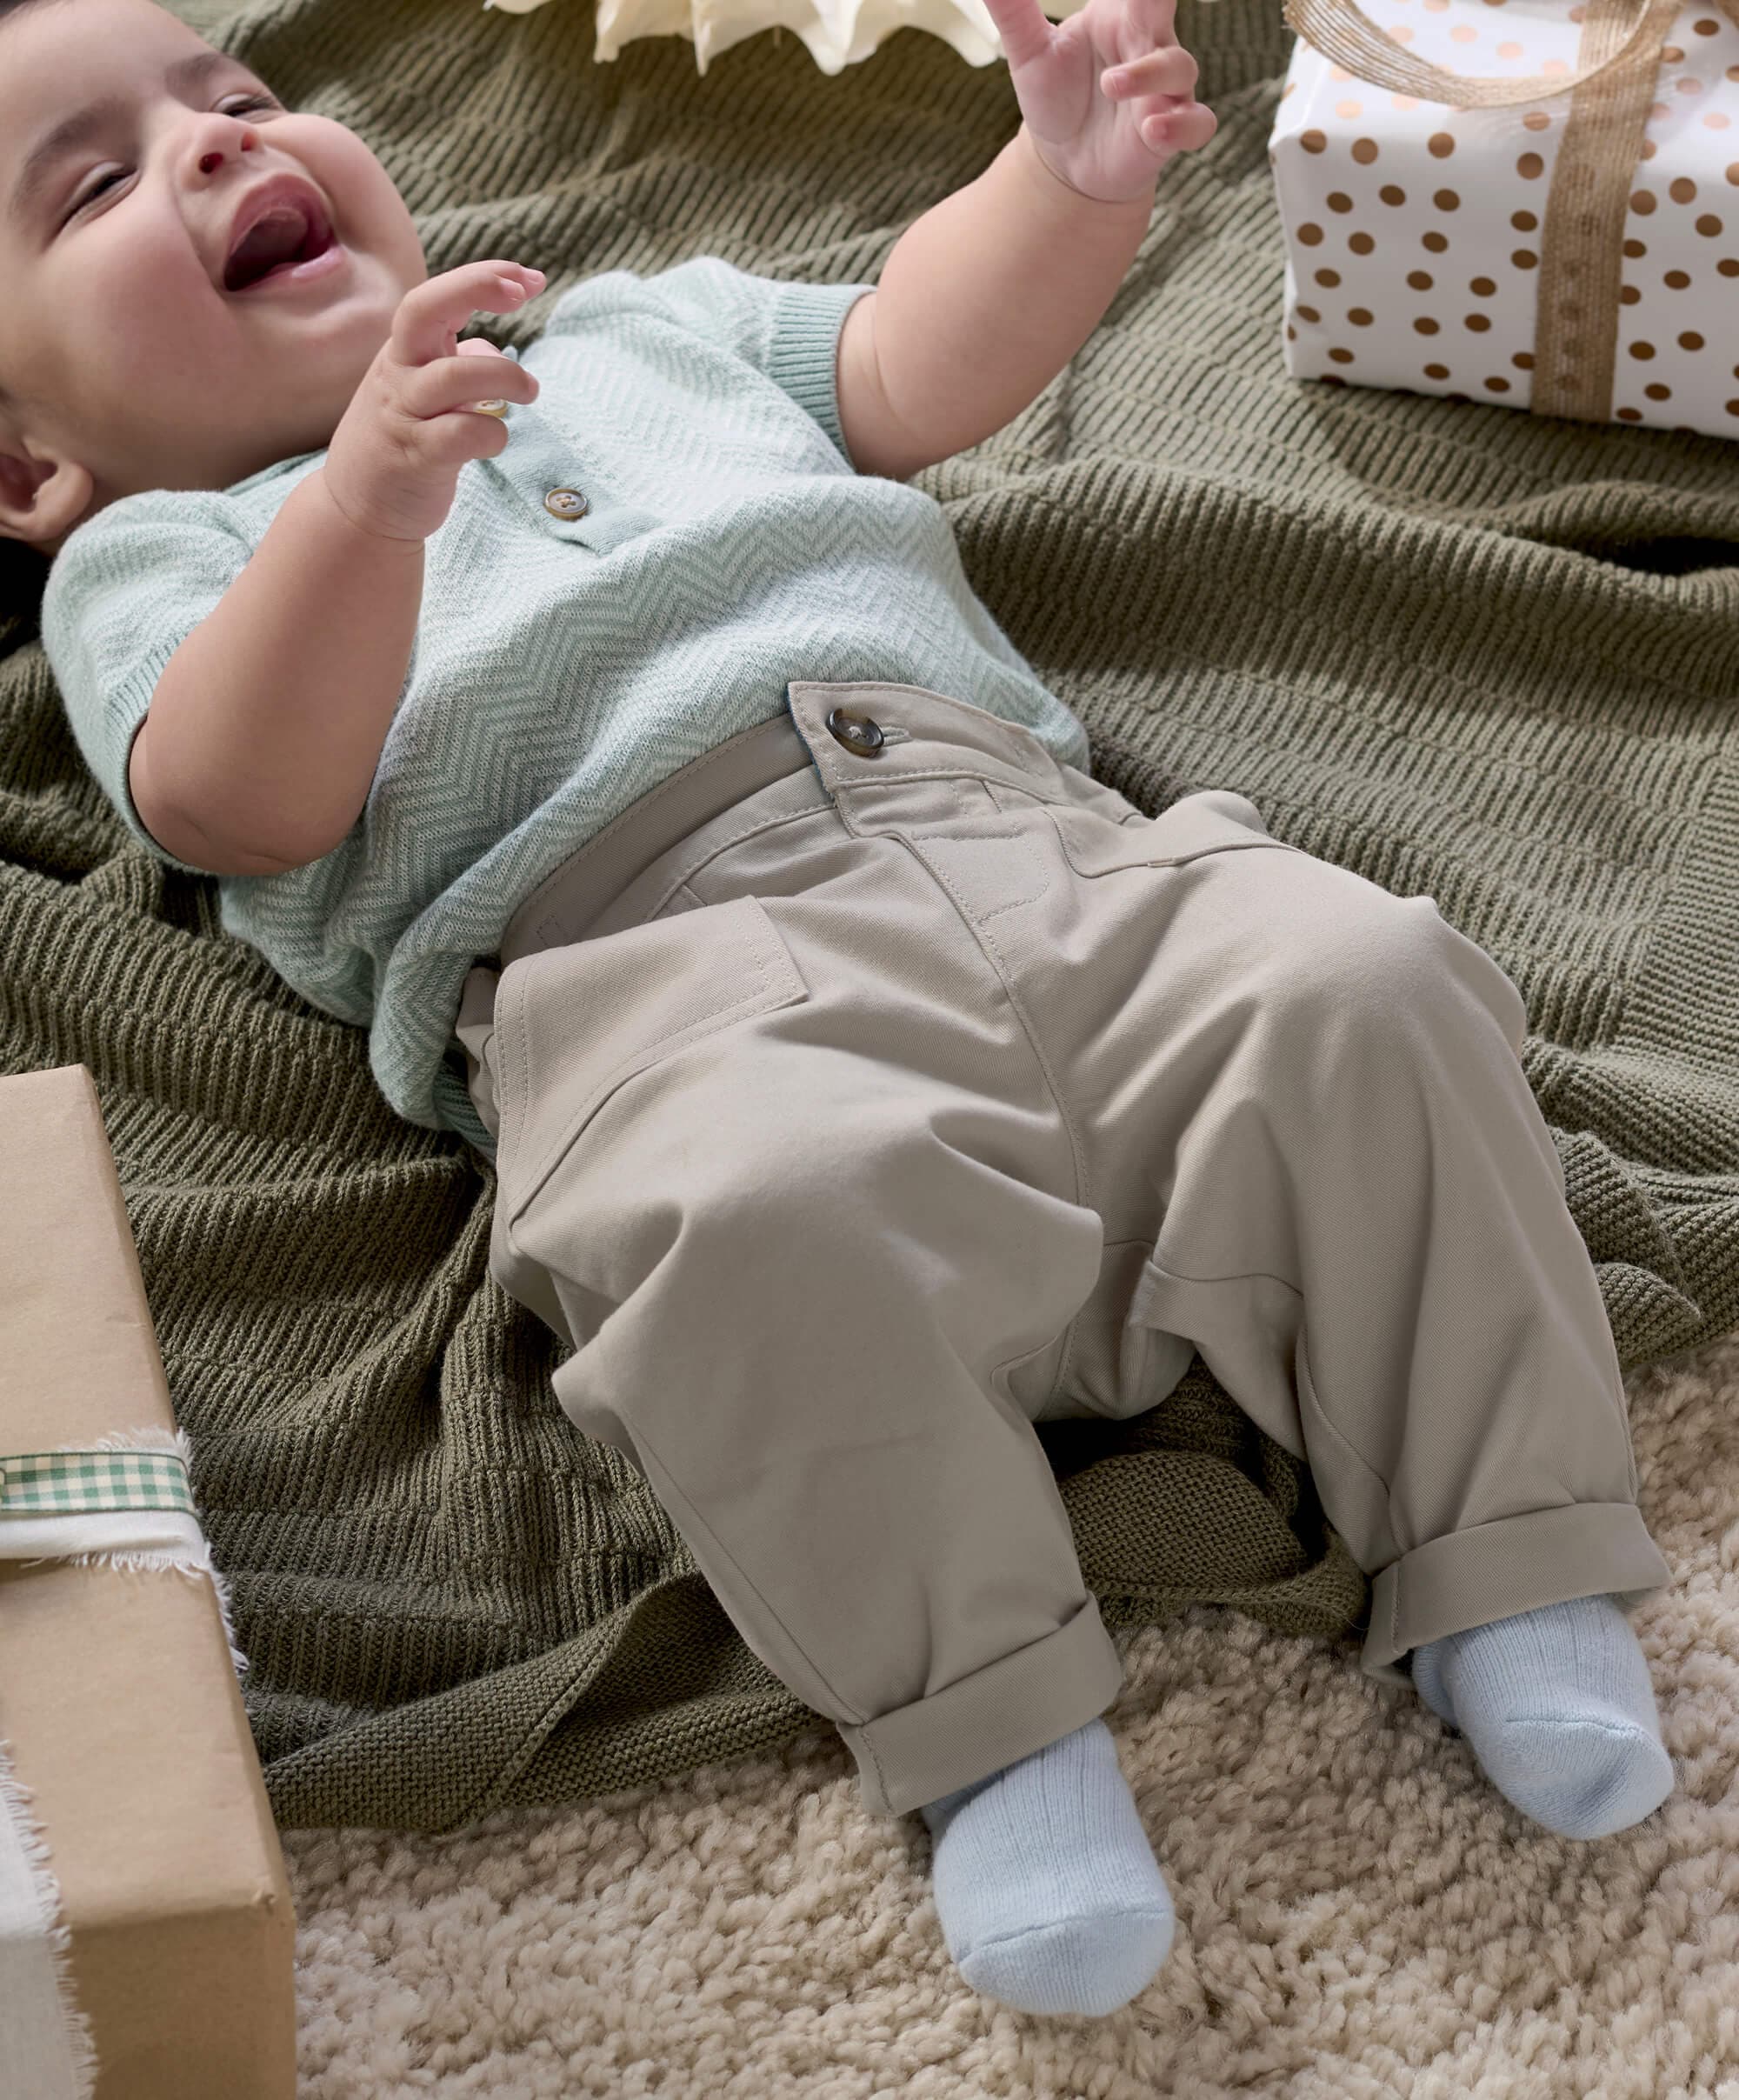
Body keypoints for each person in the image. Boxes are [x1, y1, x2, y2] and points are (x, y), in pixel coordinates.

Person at [1, 0, 1677, 2022]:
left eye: (241, 97)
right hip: (656, 971)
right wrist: (360, 507)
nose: (214, 143)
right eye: (93, 185)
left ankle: (1508, 1554)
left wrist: (1058, 184)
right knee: (736, 1221)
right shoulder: (156, 563)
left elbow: (899, 363)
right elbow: (234, 796)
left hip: (1027, 836)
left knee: (1360, 988)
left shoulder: (631, 334)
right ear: (28, 460)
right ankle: (990, 1722)